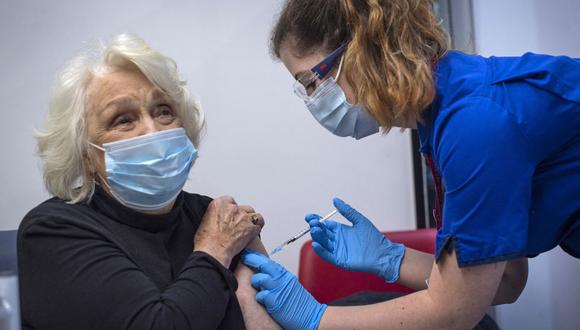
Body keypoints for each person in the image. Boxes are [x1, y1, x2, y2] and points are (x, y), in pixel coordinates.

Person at [241, 0, 580, 329]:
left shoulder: (473, 123)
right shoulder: (443, 114)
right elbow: (507, 280)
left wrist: (314, 319)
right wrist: (389, 257)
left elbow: (452, 314)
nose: (315, 101)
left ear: (362, 47)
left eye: (313, 82)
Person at [18, 34, 280, 330]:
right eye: (123, 119)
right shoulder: (54, 231)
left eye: (164, 111)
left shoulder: (210, 216)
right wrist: (216, 250)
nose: (152, 130)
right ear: (86, 155)